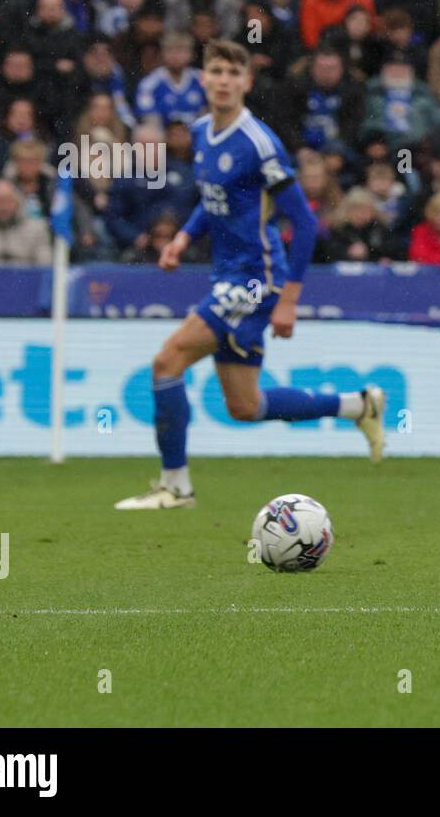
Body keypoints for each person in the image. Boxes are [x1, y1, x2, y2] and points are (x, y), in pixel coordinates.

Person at [115, 40, 386, 511]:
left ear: (247, 82)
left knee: (167, 362)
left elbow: (302, 222)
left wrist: (288, 300)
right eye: (215, 70)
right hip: (228, 276)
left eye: (232, 73)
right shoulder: (201, 132)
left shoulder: (259, 143)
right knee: (245, 406)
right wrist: (182, 237)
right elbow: (212, 199)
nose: (222, 80)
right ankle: (357, 405)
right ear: (203, 78)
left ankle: (175, 486)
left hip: (255, 280)